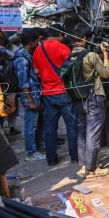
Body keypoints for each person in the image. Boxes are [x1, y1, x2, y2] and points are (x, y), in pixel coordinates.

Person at [32, 24, 78, 166]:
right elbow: (72, 68)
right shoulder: (62, 48)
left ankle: (51, 159)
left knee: (50, 128)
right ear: (60, 35)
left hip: (48, 94)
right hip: (64, 92)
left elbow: (36, 72)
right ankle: (75, 157)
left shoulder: (37, 50)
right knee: (71, 126)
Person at [70, 24, 109, 178]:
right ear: (85, 38)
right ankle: (92, 169)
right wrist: (105, 55)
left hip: (78, 99)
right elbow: (105, 73)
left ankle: (84, 165)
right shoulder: (90, 56)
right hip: (94, 99)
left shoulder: (71, 56)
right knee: (93, 134)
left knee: (82, 133)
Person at [14, 31, 46, 161]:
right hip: (30, 96)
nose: (38, 43)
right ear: (31, 42)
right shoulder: (22, 58)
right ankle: (31, 152)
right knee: (30, 126)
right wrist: (30, 100)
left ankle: (37, 148)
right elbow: (23, 82)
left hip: (34, 94)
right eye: (36, 41)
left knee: (36, 124)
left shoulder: (27, 55)